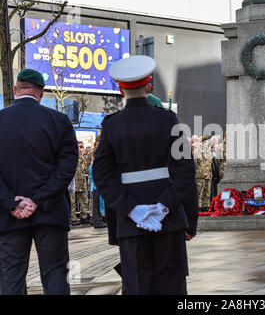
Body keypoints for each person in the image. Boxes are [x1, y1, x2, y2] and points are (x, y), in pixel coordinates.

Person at [93, 55, 198, 295]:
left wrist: (130, 208)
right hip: (168, 220)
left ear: (121, 89)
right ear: (149, 85)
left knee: (137, 284)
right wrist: (164, 207)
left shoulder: (111, 125)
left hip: (131, 222)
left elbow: (101, 174)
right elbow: (185, 171)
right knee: (171, 283)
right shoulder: (168, 119)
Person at [0, 69, 78, 295]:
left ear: (16, 89)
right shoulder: (59, 121)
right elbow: (66, 170)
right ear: (41, 92)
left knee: (10, 278)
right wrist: (38, 200)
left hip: (9, 216)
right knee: (55, 275)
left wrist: (11, 203)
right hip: (50, 212)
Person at [72, 141, 90, 224]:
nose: (81, 148)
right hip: (73, 183)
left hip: (81, 183)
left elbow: (86, 168)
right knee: (72, 202)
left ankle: (84, 216)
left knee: (84, 200)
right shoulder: (71, 156)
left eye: (82, 147)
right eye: (80, 146)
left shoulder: (81, 157)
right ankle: (73, 218)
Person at [89, 155, 107, 229]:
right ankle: (97, 221)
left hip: (97, 187)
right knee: (96, 206)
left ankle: (98, 220)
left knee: (98, 206)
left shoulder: (95, 165)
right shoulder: (93, 166)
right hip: (95, 187)